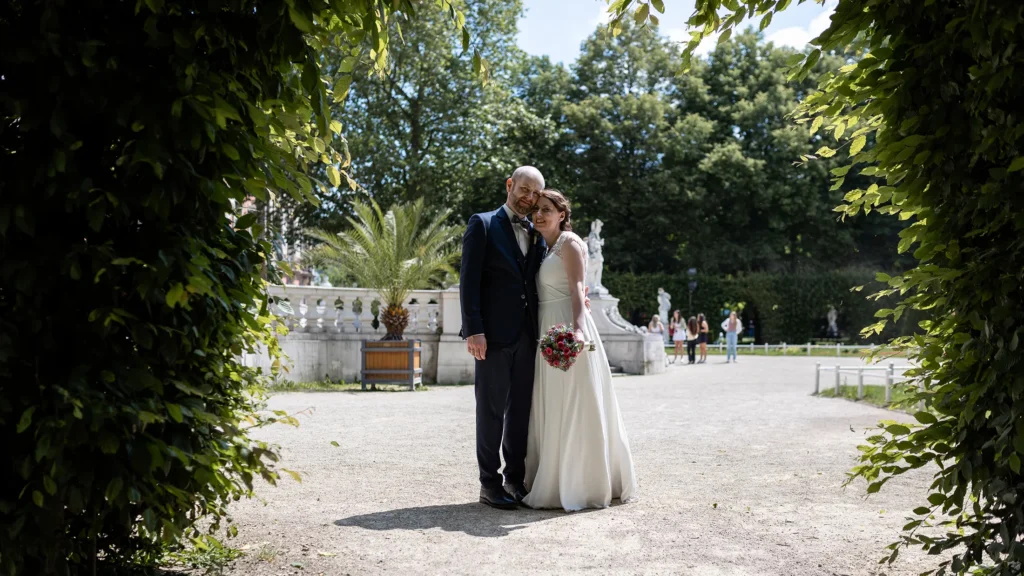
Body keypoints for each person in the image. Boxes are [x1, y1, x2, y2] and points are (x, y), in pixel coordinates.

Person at [523, 189, 637, 511]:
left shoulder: (570, 243)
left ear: (562, 214)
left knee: (573, 400)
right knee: (551, 403)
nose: (540, 215)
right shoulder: (540, 247)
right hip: (545, 327)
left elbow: (576, 288)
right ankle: (552, 477)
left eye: (547, 209)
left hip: (567, 328)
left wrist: (577, 330)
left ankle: (581, 483)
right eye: (536, 210)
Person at [459, 166, 547, 510]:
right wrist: (474, 330)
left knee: (521, 411)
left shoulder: (536, 230)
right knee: (491, 411)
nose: (528, 198)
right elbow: (469, 281)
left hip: (528, 335)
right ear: (510, 185)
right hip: (492, 337)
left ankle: (515, 478)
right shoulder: (481, 224)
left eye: (534, 195)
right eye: (523, 190)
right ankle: (489, 484)